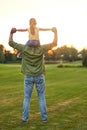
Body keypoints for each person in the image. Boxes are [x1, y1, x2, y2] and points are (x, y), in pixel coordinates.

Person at [8, 27, 58, 123]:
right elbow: (54, 43)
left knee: (27, 98)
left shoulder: (24, 48)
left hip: (28, 77)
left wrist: (11, 33)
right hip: (39, 76)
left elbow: (11, 43)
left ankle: (24, 119)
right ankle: (44, 119)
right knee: (41, 97)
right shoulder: (41, 48)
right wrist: (55, 32)